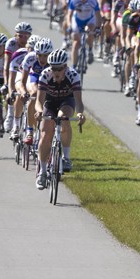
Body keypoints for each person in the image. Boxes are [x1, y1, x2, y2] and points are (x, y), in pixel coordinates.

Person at [34, 50, 86, 189]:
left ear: (65, 67)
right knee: (45, 133)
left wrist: (80, 113)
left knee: (64, 118)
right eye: (53, 68)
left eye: (59, 68)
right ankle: (43, 172)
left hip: (66, 101)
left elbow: (79, 101)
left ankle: (66, 158)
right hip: (50, 102)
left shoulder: (73, 75)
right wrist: (39, 112)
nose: (56, 71)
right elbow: (39, 101)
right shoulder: (45, 75)